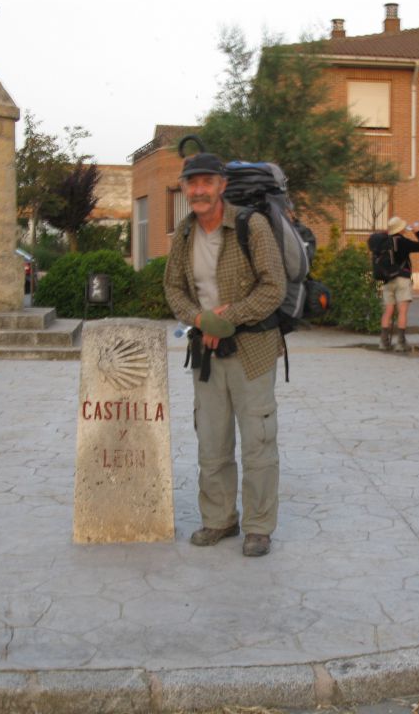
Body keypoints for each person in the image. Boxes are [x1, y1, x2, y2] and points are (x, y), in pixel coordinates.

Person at [163, 152, 286, 557]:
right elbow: (173, 290)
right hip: (207, 355)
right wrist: (200, 319)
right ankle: (220, 520)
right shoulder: (183, 233)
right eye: (190, 182)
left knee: (257, 443)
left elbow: (273, 287)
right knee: (211, 444)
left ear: (221, 186)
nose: (198, 189)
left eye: (205, 182)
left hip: (253, 351)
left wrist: (228, 318)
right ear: (184, 188)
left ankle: (258, 527)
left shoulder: (252, 226)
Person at [372, 216, 419, 352]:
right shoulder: (402, 241)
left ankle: (384, 342)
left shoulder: (383, 242)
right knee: (402, 311)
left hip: (386, 280)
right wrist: (417, 232)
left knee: (388, 311)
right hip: (402, 279)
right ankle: (400, 343)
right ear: (400, 229)